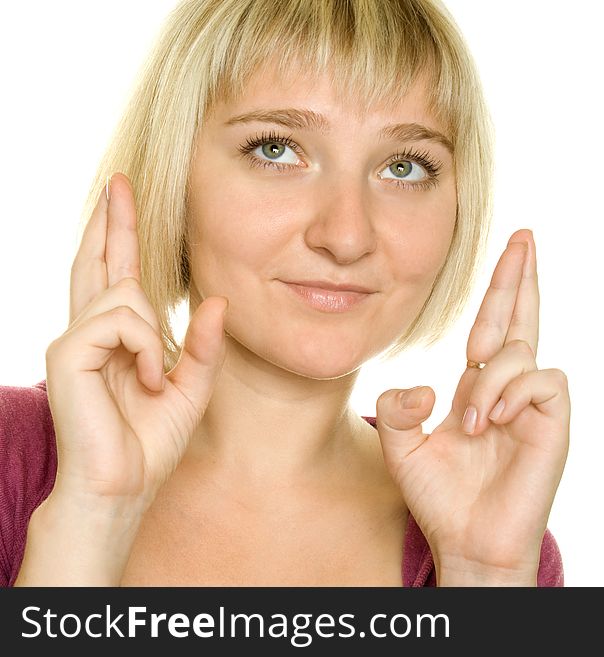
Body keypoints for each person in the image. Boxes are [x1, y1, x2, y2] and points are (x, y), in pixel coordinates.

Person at [1, 0, 569, 586]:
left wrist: (485, 576)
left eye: (404, 166)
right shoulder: (11, 462)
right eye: (276, 149)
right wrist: (94, 512)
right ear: (173, 171)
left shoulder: (489, 530)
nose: (347, 237)